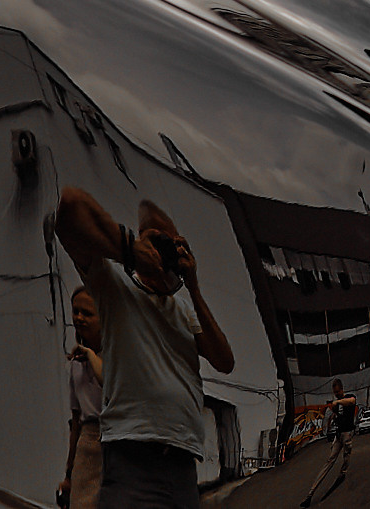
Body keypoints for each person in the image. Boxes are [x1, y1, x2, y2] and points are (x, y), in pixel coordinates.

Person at [55, 190, 235, 509]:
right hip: (133, 461)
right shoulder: (116, 288)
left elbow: (224, 361)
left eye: (173, 243)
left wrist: (193, 286)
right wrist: (129, 249)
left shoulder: (184, 310)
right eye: (158, 240)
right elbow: (69, 210)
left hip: (183, 466)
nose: (166, 250)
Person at [58, 287, 105, 509]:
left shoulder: (117, 357)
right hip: (89, 443)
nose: (78, 318)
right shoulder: (76, 364)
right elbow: (76, 423)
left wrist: (91, 356)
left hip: (115, 442)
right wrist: (69, 474)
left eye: (87, 313)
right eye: (75, 311)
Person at [299, 380, 357, 508]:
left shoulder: (348, 397)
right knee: (329, 460)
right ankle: (310, 494)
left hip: (347, 434)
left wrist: (337, 402)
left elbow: (352, 401)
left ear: (342, 389)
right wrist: (331, 420)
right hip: (339, 434)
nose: (336, 394)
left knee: (346, 455)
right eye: (335, 393)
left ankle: (343, 473)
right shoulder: (336, 404)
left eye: (338, 392)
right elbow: (335, 415)